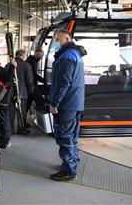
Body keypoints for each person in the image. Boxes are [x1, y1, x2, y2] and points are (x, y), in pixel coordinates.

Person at [49, 30, 87, 181]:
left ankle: (69, 171)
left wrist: (54, 103)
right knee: (72, 136)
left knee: (65, 136)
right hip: (75, 103)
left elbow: (63, 83)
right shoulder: (75, 55)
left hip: (66, 104)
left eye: (58, 39)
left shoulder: (66, 56)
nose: (56, 43)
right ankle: (70, 164)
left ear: (67, 38)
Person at [9, 49, 34, 134]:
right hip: (22, 92)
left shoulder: (9, 64)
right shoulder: (26, 65)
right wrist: (31, 91)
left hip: (11, 92)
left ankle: (10, 130)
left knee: (11, 112)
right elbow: (29, 81)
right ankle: (21, 129)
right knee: (22, 112)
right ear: (23, 55)